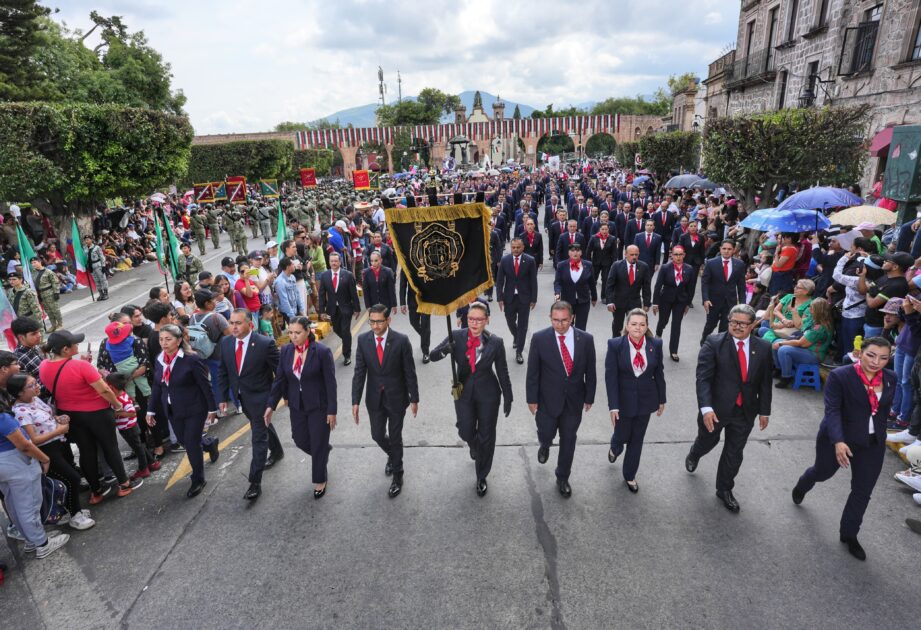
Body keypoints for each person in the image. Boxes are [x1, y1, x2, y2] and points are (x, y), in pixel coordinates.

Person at [791, 337, 896, 561]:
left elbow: (882, 411)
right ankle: (804, 483)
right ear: (859, 353)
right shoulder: (840, 376)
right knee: (822, 472)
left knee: (862, 490)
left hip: (872, 443)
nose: (876, 362)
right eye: (871, 355)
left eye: (883, 358)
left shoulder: (890, 378)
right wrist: (838, 441)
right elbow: (832, 410)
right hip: (838, 438)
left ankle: (849, 534)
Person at [685, 304, 773, 513]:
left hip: (745, 411)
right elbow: (703, 379)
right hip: (715, 410)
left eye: (743, 323)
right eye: (734, 322)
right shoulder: (714, 343)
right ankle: (695, 453)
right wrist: (706, 408)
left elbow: (765, 382)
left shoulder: (763, 348)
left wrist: (764, 411)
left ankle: (724, 489)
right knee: (708, 441)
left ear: (753, 325)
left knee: (734, 452)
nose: (737, 326)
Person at [38, 331, 137, 505]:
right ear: (65, 349)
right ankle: (124, 484)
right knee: (110, 447)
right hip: (97, 413)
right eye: (75, 343)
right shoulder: (81, 366)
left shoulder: (44, 365)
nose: (78, 345)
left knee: (86, 451)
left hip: (71, 416)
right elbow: (104, 390)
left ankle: (96, 491)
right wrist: (117, 405)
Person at [429, 301, 512, 497]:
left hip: (488, 395)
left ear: (487, 320)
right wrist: (445, 349)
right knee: (465, 430)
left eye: (479, 319)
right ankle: (474, 445)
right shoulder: (456, 336)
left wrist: (508, 396)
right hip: (463, 392)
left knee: (487, 435)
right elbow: (432, 356)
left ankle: (481, 475)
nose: (474, 323)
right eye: (471, 319)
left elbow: (502, 371)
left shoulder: (496, 342)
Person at [525, 301, 596, 497]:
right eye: (556, 320)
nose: (560, 324)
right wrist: (531, 399)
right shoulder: (540, 339)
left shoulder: (586, 340)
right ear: (550, 318)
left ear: (572, 318)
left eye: (564, 320)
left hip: (573, 401)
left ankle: (562, 477)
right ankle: (545, 444)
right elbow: (533, 372)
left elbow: (590, 371)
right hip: (547, 400)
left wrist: (589, 396)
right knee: (546, 432)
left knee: (569, 439)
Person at [8, 373, 95, 531]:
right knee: (73, 478)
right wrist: (59, 430)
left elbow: (47, 417)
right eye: (31, 385)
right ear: (19, 392)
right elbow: (33, 440)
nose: (37, 386)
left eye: (36, 382)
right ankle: (75, 515)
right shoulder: (20, 411)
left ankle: (69, 511)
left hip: (57, 444)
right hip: (45, 450)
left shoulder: (34, 399)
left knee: (65, 480)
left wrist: (58, 419)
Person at [351, 304, 419, 498]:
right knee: (377, 435)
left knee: (395, 437)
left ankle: (398, 475)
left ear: (388, 320)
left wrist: (414, 398)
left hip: (397, 398)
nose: (375, 326)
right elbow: (359, 372)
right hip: (374, 399)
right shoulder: (363, 340)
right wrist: (355, 401)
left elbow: (409, 372)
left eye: (379, 321)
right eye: (371, 321)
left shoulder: (401, 341)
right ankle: (392, 454)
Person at [147, 324, 220, 498]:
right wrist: (150, 410)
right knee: (183, 440)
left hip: (195, 408)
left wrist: (212, 408)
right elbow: (157, 386)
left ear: (179, 340)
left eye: (168, 339)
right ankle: (210, 443)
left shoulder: (191, 359)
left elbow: (205, 385)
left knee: (192, 443)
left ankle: (198, 479)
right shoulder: (160, 359)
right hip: (172, 409)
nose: (164, 343)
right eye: (161, 339)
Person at [266, 317, 336, 499]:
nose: (293, 336)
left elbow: (330, 383)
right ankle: (323, 452)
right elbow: (280, 379)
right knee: (300, 440)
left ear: (307, 331)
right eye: (290, 332)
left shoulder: (321, 352)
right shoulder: (286, 351)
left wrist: (332, 411)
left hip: (318, 405)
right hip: (297, 404)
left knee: (318, 442)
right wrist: (271, 405)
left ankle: (320, 479)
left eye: (297, 332)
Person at [217, 309, 283, 501]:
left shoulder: (264, 344)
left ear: (250, 324)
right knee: (261, 424)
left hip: (261, 398)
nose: (234, 327)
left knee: (258, 437)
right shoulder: (226, 343)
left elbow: (280, 373)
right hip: (241, 397)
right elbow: (223, 371)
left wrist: (275, 400)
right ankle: (277, 451)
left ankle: (255, 482)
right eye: (231, 323)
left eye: (238, 323)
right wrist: (222, 397)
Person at [605, 308, 666, 492]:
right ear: (627, 325)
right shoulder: (615, 345)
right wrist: (613, 406)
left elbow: (659, 373)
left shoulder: (656, 344)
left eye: (642, 324)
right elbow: (611, 377)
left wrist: (662, 399)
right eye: (633, 324)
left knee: (637, 439)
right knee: (622, 435)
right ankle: (615, 447)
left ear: (647, 326)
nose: (638, 328)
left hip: (646, 400)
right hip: (623, 401)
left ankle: (629, 475)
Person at [0, 406, 70, 558]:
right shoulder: (3, 418)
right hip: (16, 462)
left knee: (13, 505)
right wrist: (44, 459)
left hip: (4, 466)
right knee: (29, 506)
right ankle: (42, 543)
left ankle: (31, 540)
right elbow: (25, 446)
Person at [104, 372, 157, 480]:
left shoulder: (122, 399)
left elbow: (132, 413)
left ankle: (143, 469)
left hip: (128, 428)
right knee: (139, 446)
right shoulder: (120, 395)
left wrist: (116, 413)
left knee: (138, 449)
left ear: (111, 387)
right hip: (128, 427)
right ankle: (152, 462)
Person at [772, 298, 835, 388]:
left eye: (812, 308)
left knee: (783, 349)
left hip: (814, 355)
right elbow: (800, 325)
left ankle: (786, 377)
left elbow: (801, 343)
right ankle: (779, 369)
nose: (809, 309)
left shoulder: (820, 328)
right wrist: (794, 312)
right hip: (805, 348)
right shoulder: (813, 319)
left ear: (818, 311)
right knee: (776, 341)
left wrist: (782, 343)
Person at [496, 238, 538, 364]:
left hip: (524, 298)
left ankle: (519, 351)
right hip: (509, 297)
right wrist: (499, 298)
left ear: (523, 247)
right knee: (510, 321)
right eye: (513, 247)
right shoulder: (505, 260)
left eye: (518, 247)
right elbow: (500, 281)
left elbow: (533, 281)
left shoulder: (530, 260)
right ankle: (516, 336)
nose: (515, 249)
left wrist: (534, 299)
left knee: (523, 326)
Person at [699, 239, 747, 345]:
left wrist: (742, 304)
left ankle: (719, 348)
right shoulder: (711, 263)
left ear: (733, 250)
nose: (726, 251)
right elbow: (705, 282)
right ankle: (704, 344)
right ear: (720, 249)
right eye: (724, 248)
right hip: (713, 301)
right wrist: (705, 299)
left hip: (730, 302)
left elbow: (741, 286)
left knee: (725, 328)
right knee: (710, 325)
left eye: (729, 249)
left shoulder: (739, 264)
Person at [318, 252, 361, 366]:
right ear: (329, 262)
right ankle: (347, 340)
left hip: (346, 308)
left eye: (336, 261)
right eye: (331, 261)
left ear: (340, 262)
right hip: (333, 309)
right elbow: (321, 294)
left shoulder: (348, 275)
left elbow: (353, 293)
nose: (333, 263)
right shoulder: (325, 276)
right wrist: (322, 311)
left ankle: (347, 355)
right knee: (337, 330)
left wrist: (357, 308)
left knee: (345, 331)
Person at [652, 245, 694, 362]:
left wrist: (687, 304)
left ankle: (674, 350)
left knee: (676, 325)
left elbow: (691, 288)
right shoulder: (665, 267)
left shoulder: (689, 269)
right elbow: (658, 286)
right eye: (676, 254)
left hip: (681, 301)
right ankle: (658, 336)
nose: (678, 257)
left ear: (684, 255)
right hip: (665, 299)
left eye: (680, 254)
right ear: (672, 255)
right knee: (663, 321)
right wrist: (655, 303)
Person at [605, 245, 652, 337]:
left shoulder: (644, 267)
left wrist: (646, 303)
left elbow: (646, 286)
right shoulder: (616, 266)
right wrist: (610, 302)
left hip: (635, 302)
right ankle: (616, 343)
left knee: (635, 326)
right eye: (631, 254)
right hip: (618, 302)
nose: (634, 257)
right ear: (625, 254)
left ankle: (632, 343)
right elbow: (609, 285)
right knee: (617, 326)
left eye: (636, 255)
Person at [553, 244, 597, 332]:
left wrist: (594, 297)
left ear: (581, 252)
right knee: (567, 326)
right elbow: (557, 282)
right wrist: (557, 293)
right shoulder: (561, 265)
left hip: (583, 301)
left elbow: (592, 282)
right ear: (569, 253)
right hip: (567, 301)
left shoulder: (588, 265)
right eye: (572, 251)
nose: (575, 253)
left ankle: (578, 341)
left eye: (577, 250)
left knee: (581, 328)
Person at [31, 257, 62, 331]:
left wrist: (56, 292)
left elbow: (55, 282)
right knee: (48, 311)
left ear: (39, 262)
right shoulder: (33, 273)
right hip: (41, 294)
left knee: (55, 309)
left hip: (50, 293)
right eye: (32, 263)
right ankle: (53, 325)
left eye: (35, 262)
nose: (33, 264)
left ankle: (60, 324)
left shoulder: (48, 272)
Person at [84, 235, 109, 300]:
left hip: (98, 265)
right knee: (96, 281)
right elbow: (85, 258)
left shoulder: (96, 247)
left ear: (91, 240)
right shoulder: (85, 248)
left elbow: (102, 257)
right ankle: (101, 294)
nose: (86, 241)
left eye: (88, 240)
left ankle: (106, 293)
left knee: (102, 279)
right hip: (91, 266)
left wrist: (103, 266)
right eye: (85, 240)